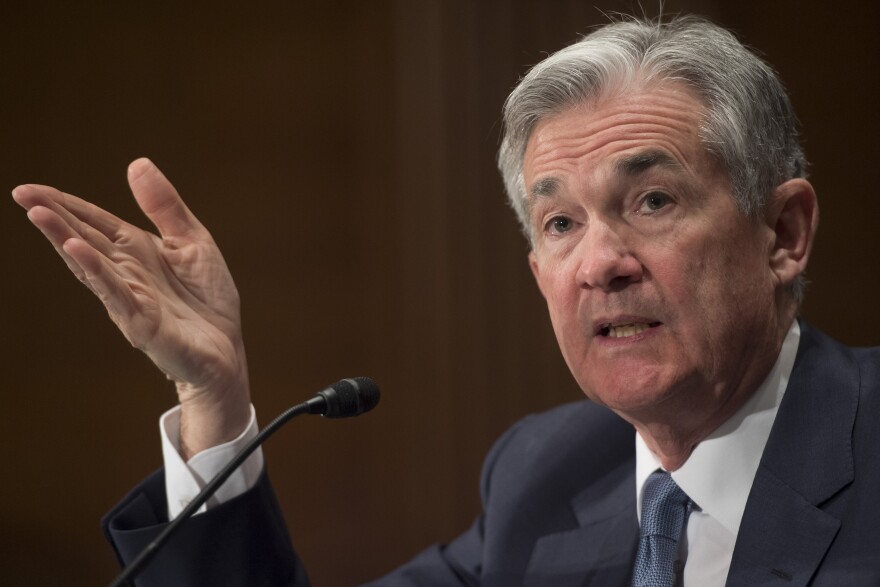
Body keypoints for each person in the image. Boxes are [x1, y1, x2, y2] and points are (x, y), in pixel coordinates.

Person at [12, 14, 880, 586]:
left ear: (783, 233)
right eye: (560, 222)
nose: (600, 263)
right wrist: (214, 399)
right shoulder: (548, 474)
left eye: (652, 201)